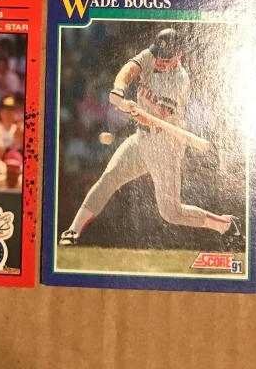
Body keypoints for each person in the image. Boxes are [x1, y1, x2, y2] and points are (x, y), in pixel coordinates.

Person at [59, 28, 237, 246]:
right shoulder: (152, 55)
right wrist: (118, 89)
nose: (159, 62)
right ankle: (73, 231)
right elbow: (129, 69)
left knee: (171, 213)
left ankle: (225, 224)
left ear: (179, 55)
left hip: (166, 145)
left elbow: (157, 118)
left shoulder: (180, 80)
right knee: (109, 178)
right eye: (158, 56)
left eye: (166, 59)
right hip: (141, 138)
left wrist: (131, 110)